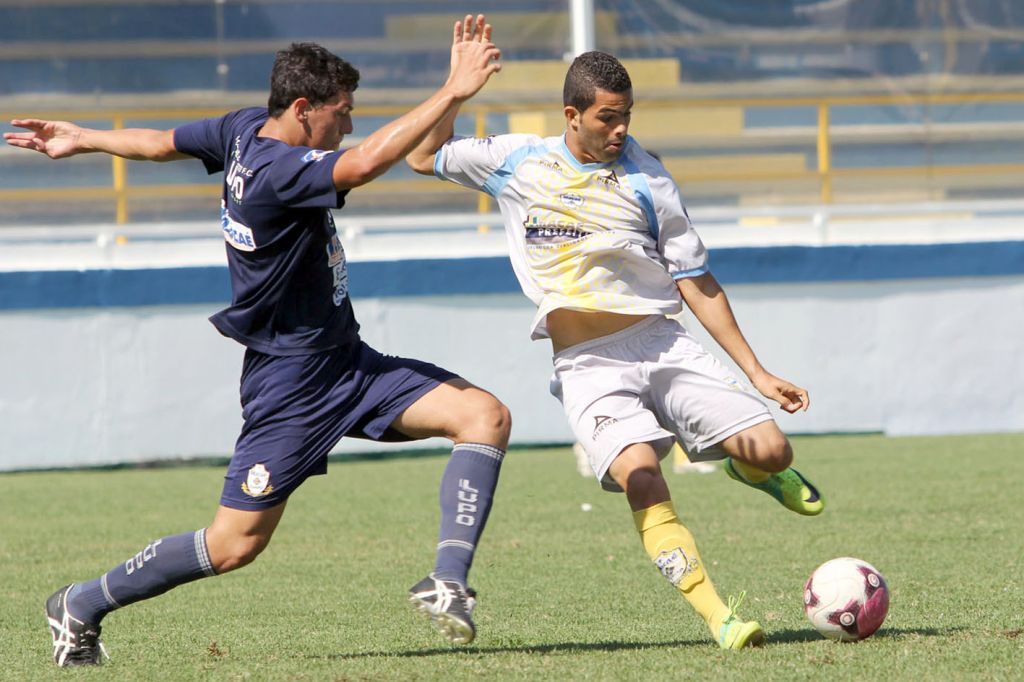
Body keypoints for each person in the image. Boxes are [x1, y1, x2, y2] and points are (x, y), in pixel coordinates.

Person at [6, 15, 505, 666]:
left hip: (348, 364)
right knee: (232, 545)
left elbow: (162, 142)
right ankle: (80, 602)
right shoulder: (279, 172)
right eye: (341, 112)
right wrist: (452, 92)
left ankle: (447, 584)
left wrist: (86, 138)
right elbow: (364, 162)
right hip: (291, 387)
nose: (347, 124)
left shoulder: (243, 129)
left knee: (484, 415)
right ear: (303, 110)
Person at [406, 50, 824, 649]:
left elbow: (697, 282)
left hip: (661, 342)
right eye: (607, 118)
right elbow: (422, 155)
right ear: (571, 115)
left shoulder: (650, 179)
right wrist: (455, 90)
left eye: (626, 115)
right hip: (588, 365)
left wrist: (756, 373)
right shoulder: (517, 160)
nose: (620, 129)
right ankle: (719, 618)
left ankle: (748, 465)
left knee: (775, 450)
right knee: (642, 475)